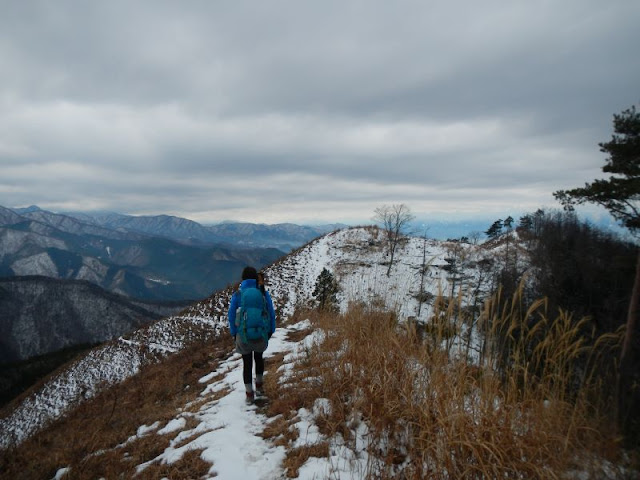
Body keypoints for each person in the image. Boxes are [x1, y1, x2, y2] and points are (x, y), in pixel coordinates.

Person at [228, 266, 276, 404]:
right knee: (259, 359)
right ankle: (260, 388)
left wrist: (234, 333)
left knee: (247, 363)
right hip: (261, 333)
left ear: (243, 279)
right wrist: (270, 330)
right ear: (256, 278)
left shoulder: (238, 294)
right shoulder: (262, 293)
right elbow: (271, 313)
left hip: (243, 336)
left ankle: (249, 395)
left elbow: (231, 316)